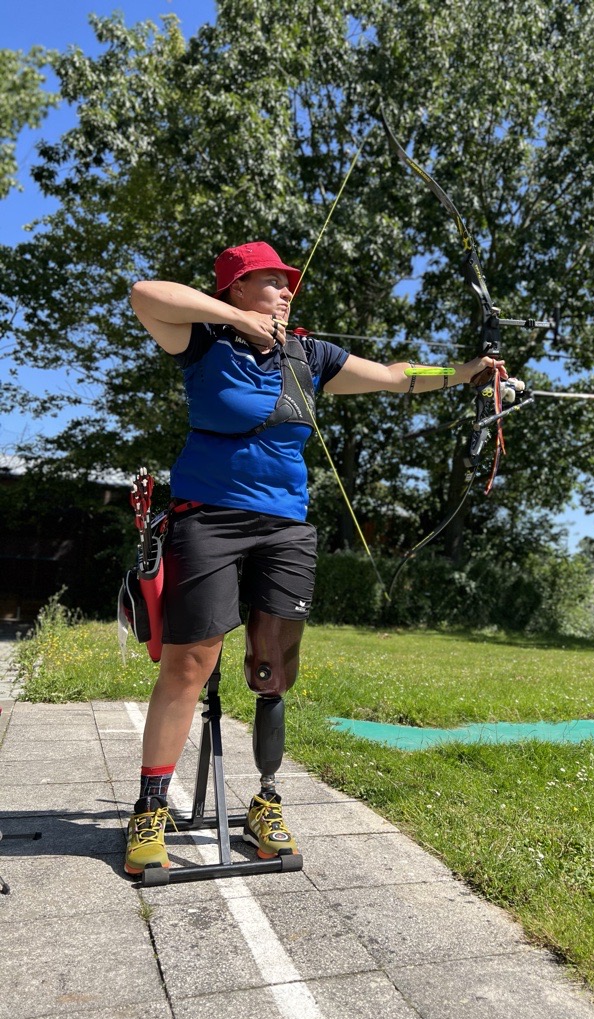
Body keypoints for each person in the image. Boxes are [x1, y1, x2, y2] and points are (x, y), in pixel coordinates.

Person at [124, 240, 508, 875]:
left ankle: (265, 801)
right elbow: (144, 294)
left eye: (286, 282)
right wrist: (235, 323)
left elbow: (392, 376)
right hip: (208, 520)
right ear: (236, 290)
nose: (285, 291)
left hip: (285, 527)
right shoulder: (200, 343)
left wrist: (463, 374)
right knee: (190, 661)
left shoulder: (311, 355)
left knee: (273, 667)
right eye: (269, 282)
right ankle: (150, 807)